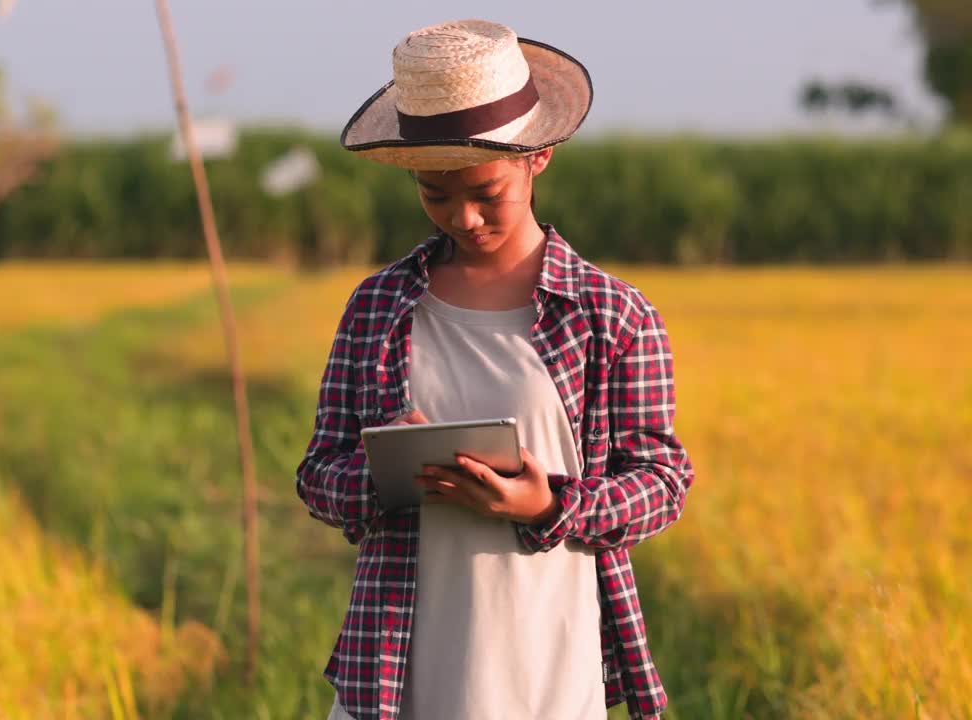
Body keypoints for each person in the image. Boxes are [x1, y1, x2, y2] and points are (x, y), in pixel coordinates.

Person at [294, 19, 695, 720]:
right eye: (435, 194)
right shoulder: (377, 306)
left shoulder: (614, 316)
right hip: (394, 672)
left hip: (548, 663)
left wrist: (548, 504)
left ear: (537, 157)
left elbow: (662, 484)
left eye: (485, 193)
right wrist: (388, 477)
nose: (464, 217)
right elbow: (317, 474)